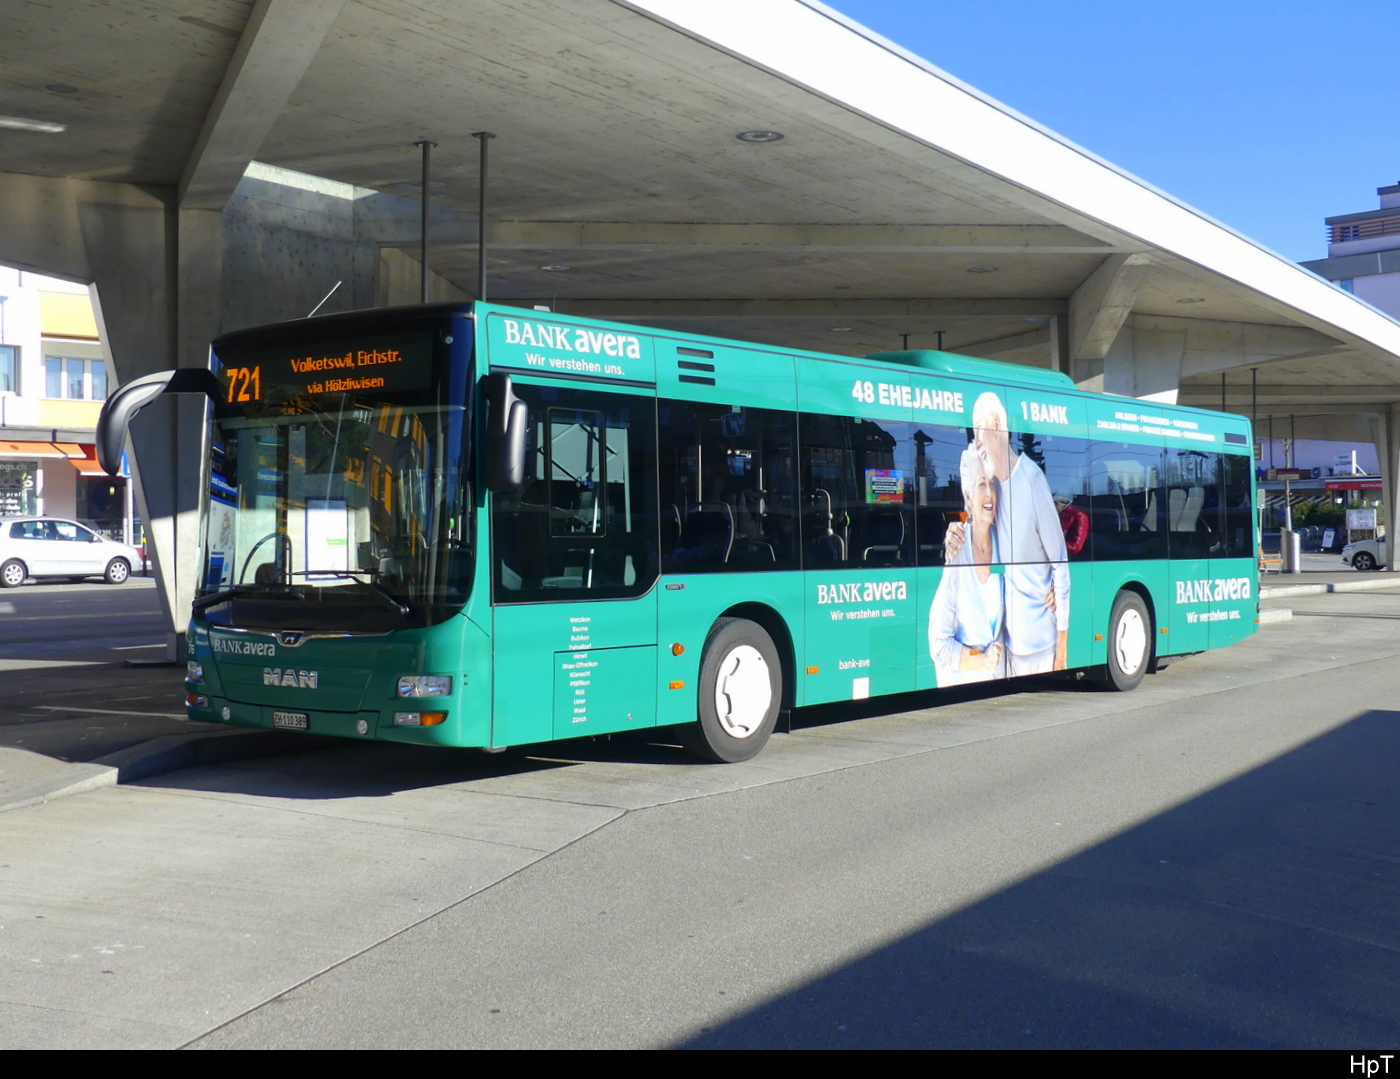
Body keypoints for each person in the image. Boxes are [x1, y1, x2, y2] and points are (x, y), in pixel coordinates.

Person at [947, 391, 1070, 674]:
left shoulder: (1032, 480)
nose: (977, 443)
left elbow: (1060, 563)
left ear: (994, 423)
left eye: (978, 431)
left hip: (1042, 648)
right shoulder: (994, 489)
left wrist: (1061, 653)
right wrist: (954, 531)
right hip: (1009, 651)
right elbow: (974, 524)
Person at [928, 445, 1004, 684]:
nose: (989, 492)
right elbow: (939, 644)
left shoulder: (1005, 546)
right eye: (981, 484)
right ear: (968, 495)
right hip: (964, 688)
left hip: (996, 689)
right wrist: (979, 660)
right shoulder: (958, 549)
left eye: (992, 484)